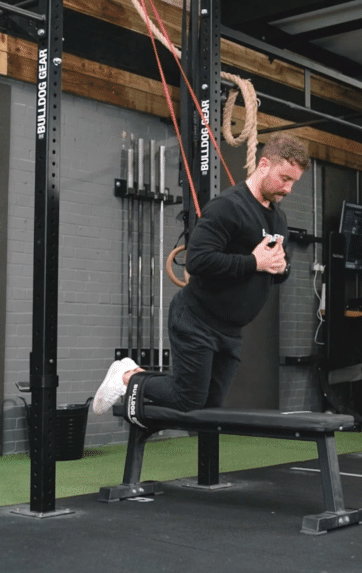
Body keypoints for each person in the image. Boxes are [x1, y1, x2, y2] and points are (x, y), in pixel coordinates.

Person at [94, 133, 310, 416]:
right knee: (189, 400)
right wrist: (253, 263)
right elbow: (198, 261)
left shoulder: (278, 218)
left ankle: (134, 378)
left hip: (230, 331)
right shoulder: (228, 206)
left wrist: (282, 268)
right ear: (264, 165)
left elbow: (276, 268)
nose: (289, 189)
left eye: (294, 181)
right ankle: (126, 376)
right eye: (285, 178)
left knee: (208, 408)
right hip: (197, 319)